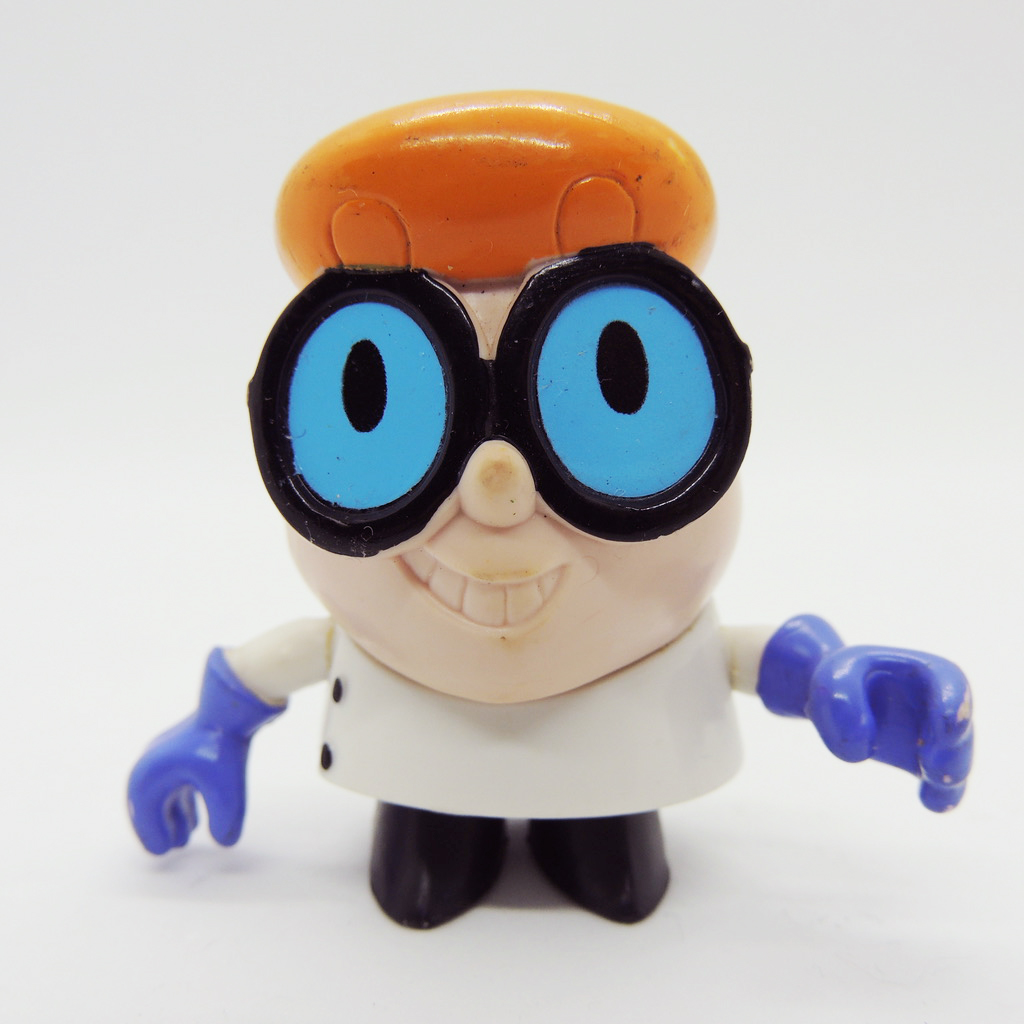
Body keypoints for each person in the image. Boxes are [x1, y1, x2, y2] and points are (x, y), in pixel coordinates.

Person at [128, 92, 973, 929]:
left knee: (614, 860)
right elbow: (275, 662)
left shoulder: (641, 623)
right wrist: (218, 725)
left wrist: (825, 677)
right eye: (381, 414)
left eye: (615, 406)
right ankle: (443, 850)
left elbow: (753, 659)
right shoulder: (384, 619)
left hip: (619, 754)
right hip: (422, 758)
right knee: (426, 860)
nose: (498, 493)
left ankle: (592, 848)